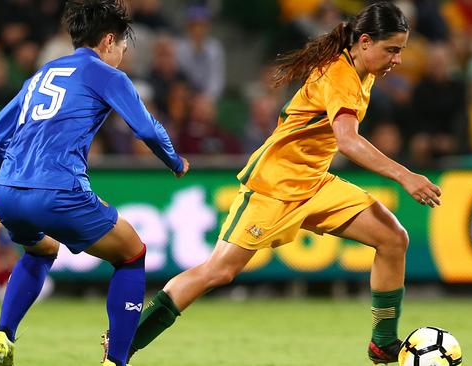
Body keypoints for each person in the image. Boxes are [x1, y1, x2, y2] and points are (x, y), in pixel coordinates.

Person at [113, 1, 440, 365]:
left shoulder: (363, 71)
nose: (397, 59)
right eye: (391, 49)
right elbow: (347, 140)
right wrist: (405, 175)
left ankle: (383, 343)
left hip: (314, 181)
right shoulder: (341, 75)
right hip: (275, 185)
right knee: (218, 271)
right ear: (364, 42)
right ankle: (124, 343)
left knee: (393, 238)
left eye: (400, 51)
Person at [0, 1, 188, 366]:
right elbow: (145, 128)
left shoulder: (43, 73)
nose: (123, 56)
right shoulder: (106, 75)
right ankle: (117, 361)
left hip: (7, 191)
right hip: (58, 190)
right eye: (123, 47)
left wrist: (17, 180)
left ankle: (3, 333)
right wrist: (175, 161)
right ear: (109, 40)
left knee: (41, 249)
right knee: (132, 254)